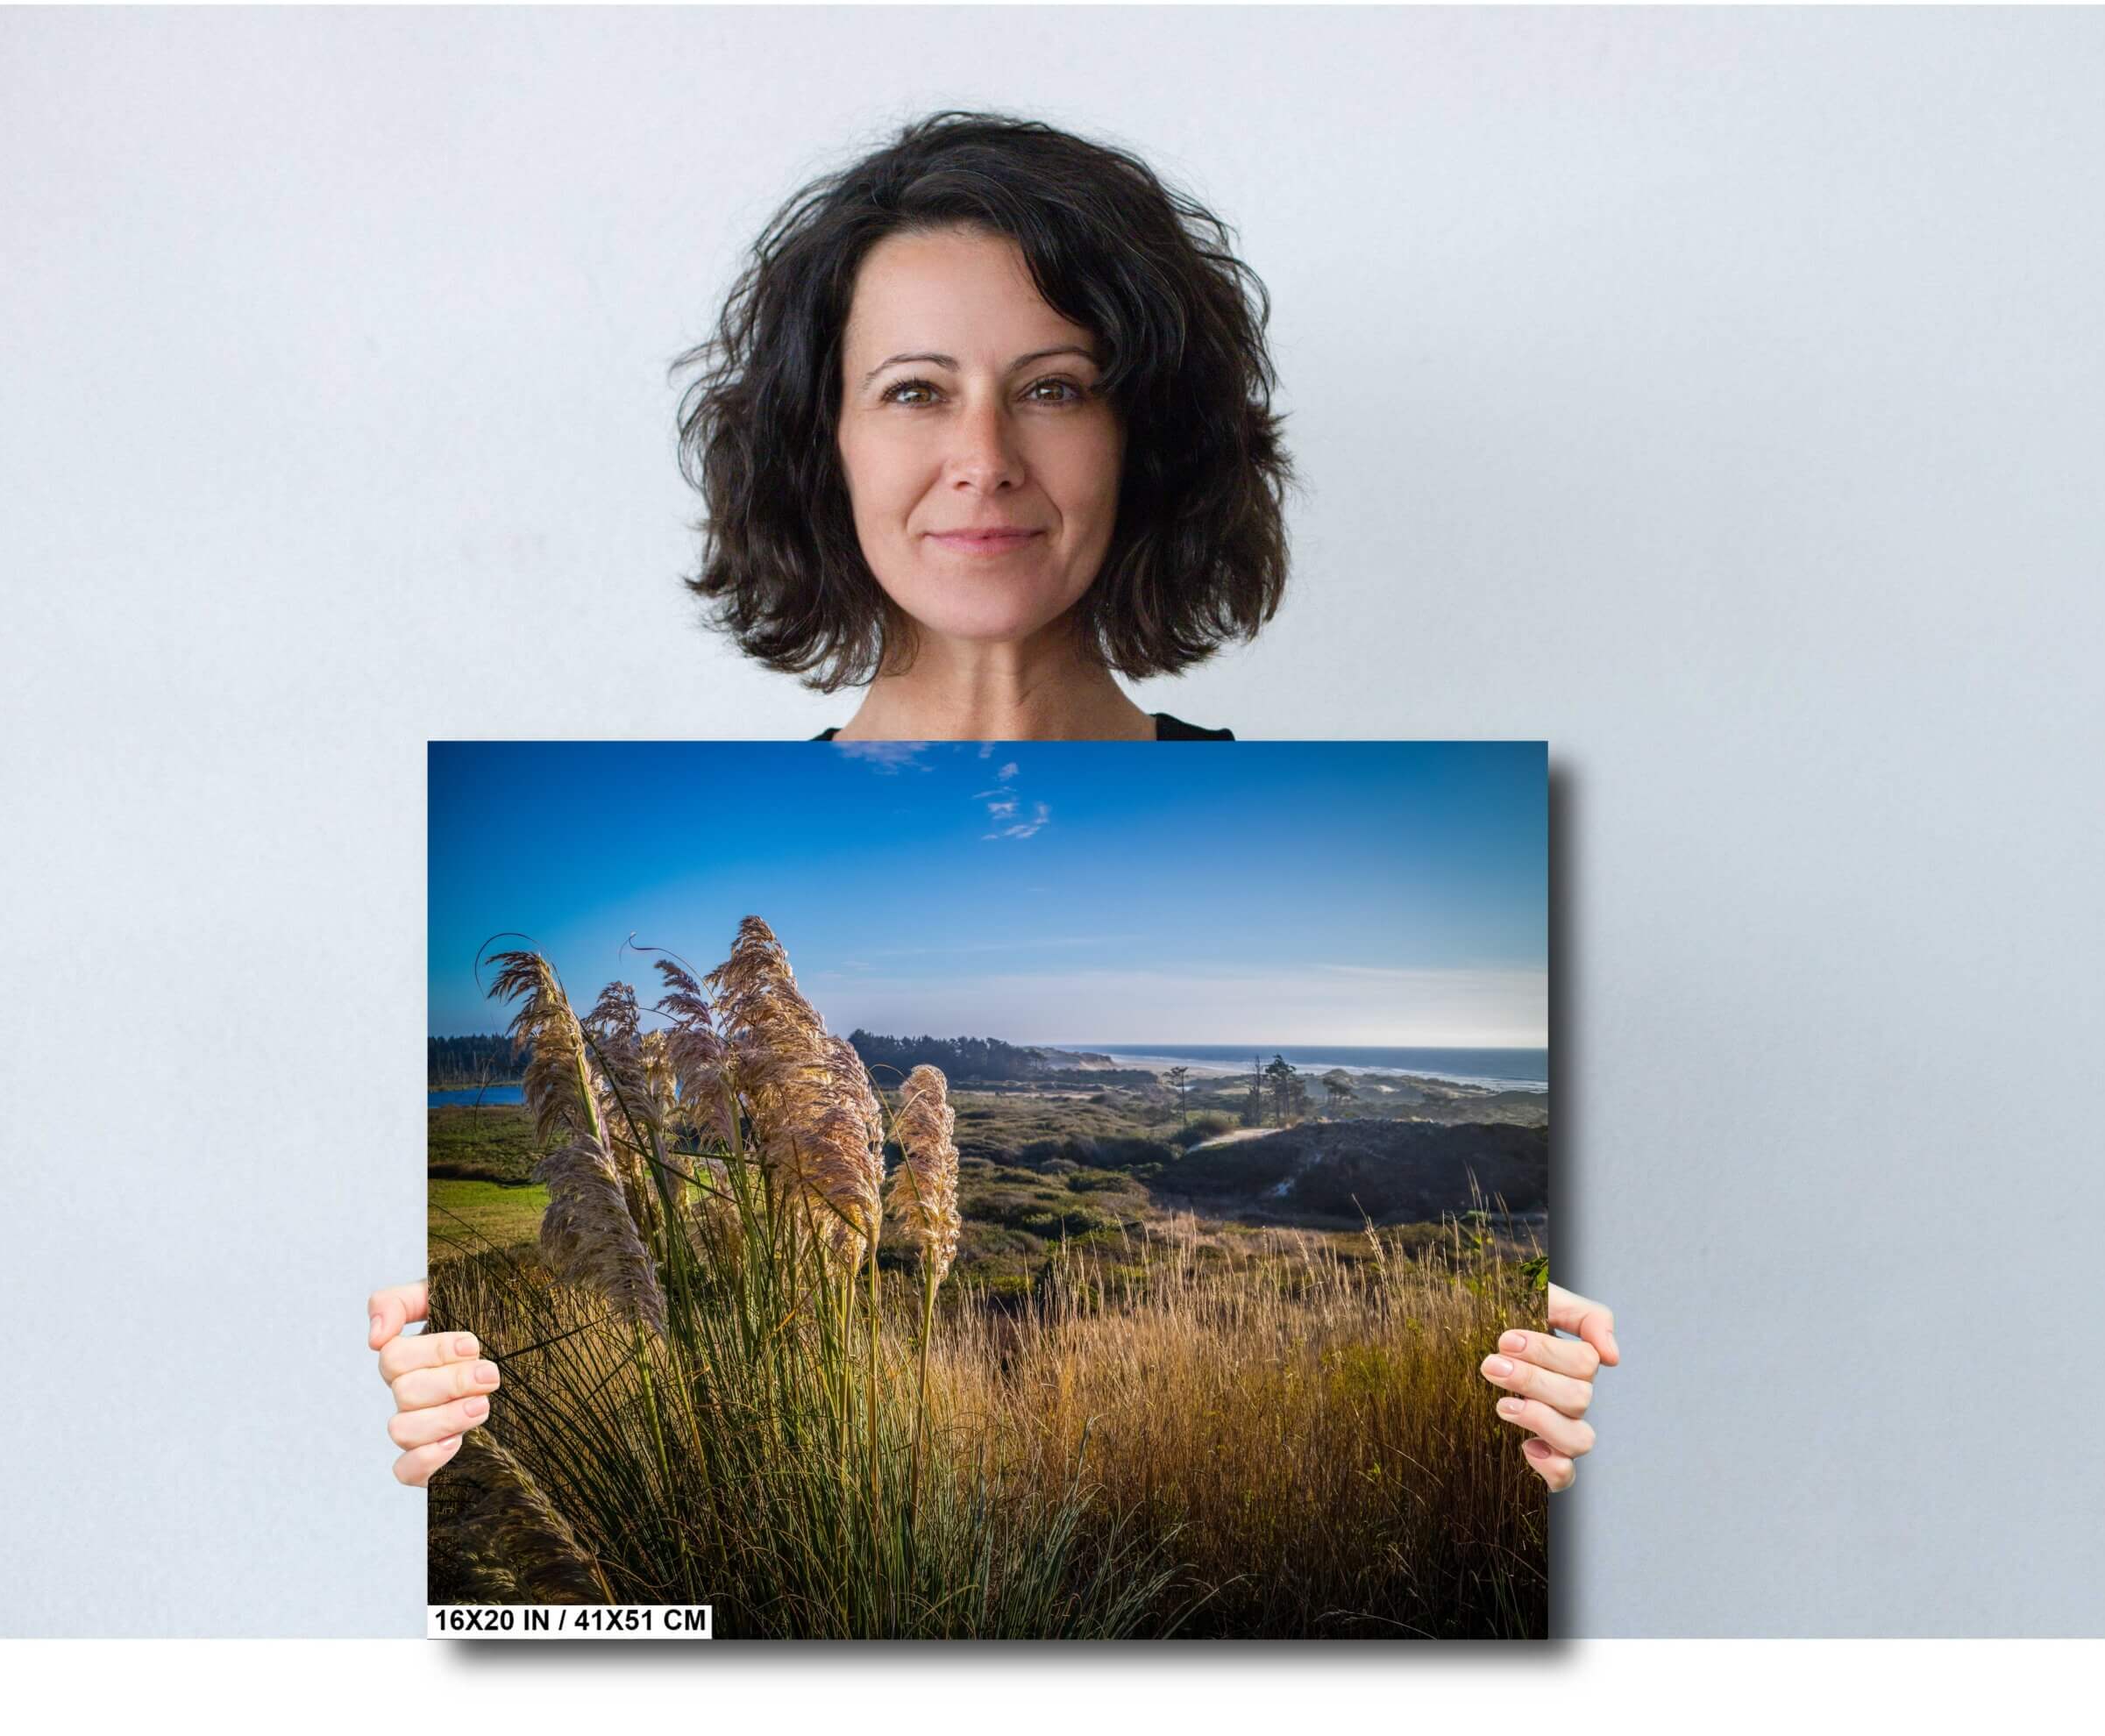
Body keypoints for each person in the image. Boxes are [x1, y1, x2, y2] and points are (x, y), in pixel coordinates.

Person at [374, 110, 1618, 1492]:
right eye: (915, 390)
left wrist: (1534, 1432)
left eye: (1057, 386)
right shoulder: (725, 852)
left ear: (1146, 440)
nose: (986, 456)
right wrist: (456, 1437)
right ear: (823, 443)